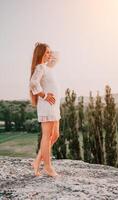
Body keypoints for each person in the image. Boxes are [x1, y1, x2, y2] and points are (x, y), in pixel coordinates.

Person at [29, 42, 61, 177]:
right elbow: (33, 83)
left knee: (56, 135)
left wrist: (48, 50)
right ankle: (47, 167)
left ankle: (37, 161)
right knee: (47, 136)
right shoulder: (40, 67)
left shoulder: (48, 67)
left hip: (54, 105)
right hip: (47, 105)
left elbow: (57, 56)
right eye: (46, 52)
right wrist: (45, 95)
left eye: (49, 52)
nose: (49, 54)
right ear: (41, 54)